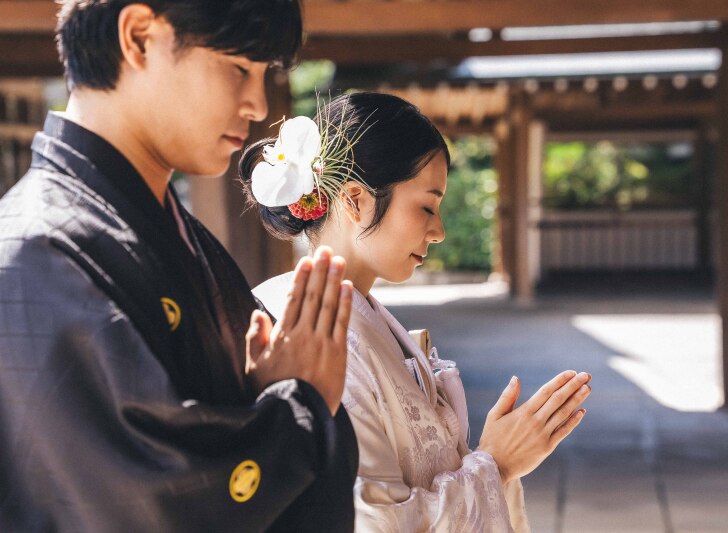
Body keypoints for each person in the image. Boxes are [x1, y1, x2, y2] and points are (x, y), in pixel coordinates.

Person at [0, 1, 358, 531]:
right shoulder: (36, 252)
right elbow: (142, 504)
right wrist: (297, 409)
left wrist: (275, 399)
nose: (257, 104)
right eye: (238, 68)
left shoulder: (174, 233)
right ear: (140, 37)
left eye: (264, 75)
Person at [244, 92, 592, 532]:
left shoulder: (361, 315)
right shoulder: (314, 335)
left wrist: (489, 456)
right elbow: (373, 522)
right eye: (427, 206)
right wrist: (495, 465)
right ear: (355, 200)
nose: (440, 230)